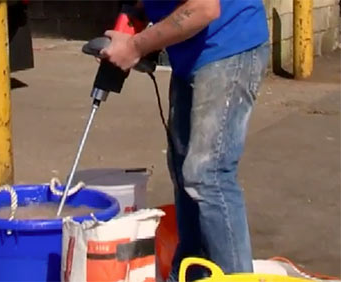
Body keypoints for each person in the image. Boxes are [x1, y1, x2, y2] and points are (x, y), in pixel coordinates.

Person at [100, 0, 269, 281]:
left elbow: (204, 8)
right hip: (189, 53)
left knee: (207, 174)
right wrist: (133, 18)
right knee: (183, 171)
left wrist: (135, 47)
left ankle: (236, 277)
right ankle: (192, 272)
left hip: (229, 45)